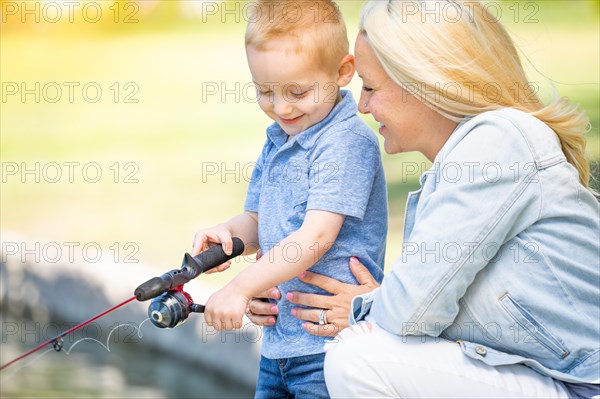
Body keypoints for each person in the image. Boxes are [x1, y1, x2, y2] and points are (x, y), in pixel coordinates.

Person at [246, 1, 600, 397]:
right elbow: (422, 306)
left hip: (578, 385)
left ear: (424, 82)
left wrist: (362, 308)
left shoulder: (498, 144)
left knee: (358, 356)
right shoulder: (463, 161)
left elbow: (413, 311)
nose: (361, 105)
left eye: (372, 87)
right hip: (538, 376)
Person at [192, 1, 388, 397]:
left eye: (296, 91)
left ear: (342, 72)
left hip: (329, 348)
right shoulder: (280, 139)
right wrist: (229, 235)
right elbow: (258, 220)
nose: (280, 107)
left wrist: (240, 288)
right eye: (265, 92)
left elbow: (316, 237)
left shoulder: (345, 142)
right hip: (279, 348)